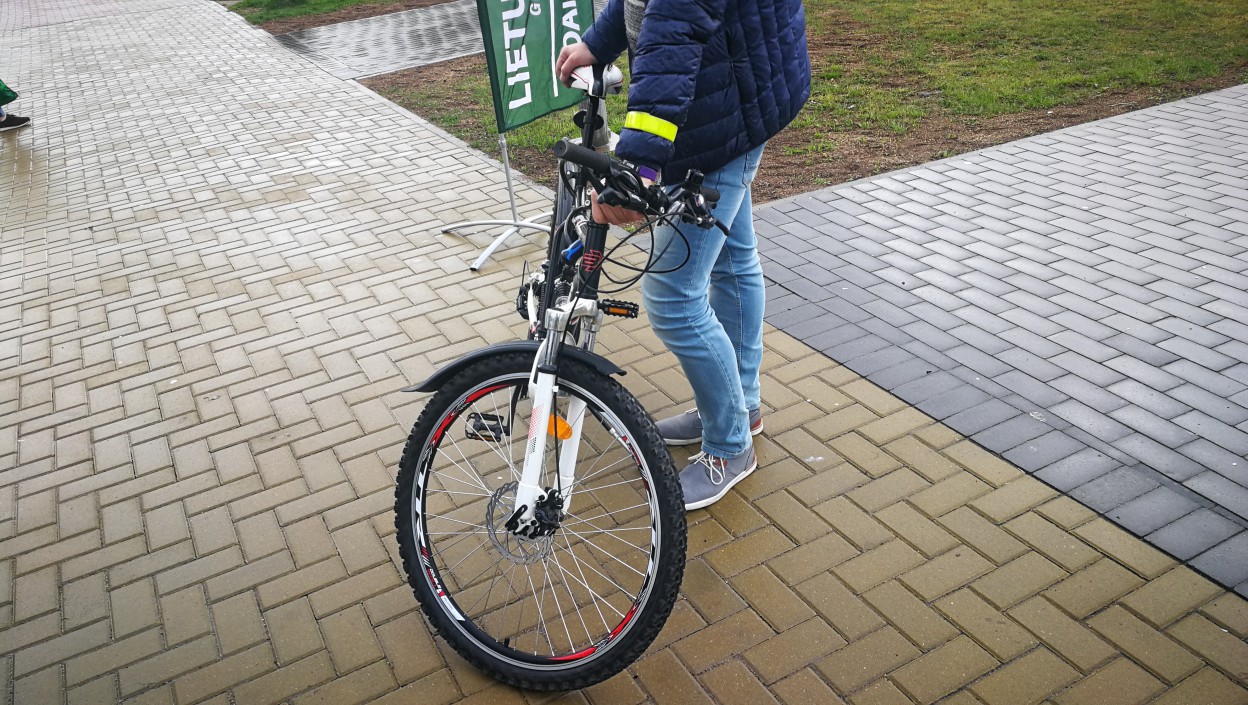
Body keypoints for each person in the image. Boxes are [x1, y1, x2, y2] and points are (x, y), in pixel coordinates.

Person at [556, 0, 810, 510]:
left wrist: (637, 170)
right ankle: (739, 409)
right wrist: (599, 41)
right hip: (736, 88)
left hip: (725, 108)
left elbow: (673, 32)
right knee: (732, 263)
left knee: (674, 296)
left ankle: (730, 445)